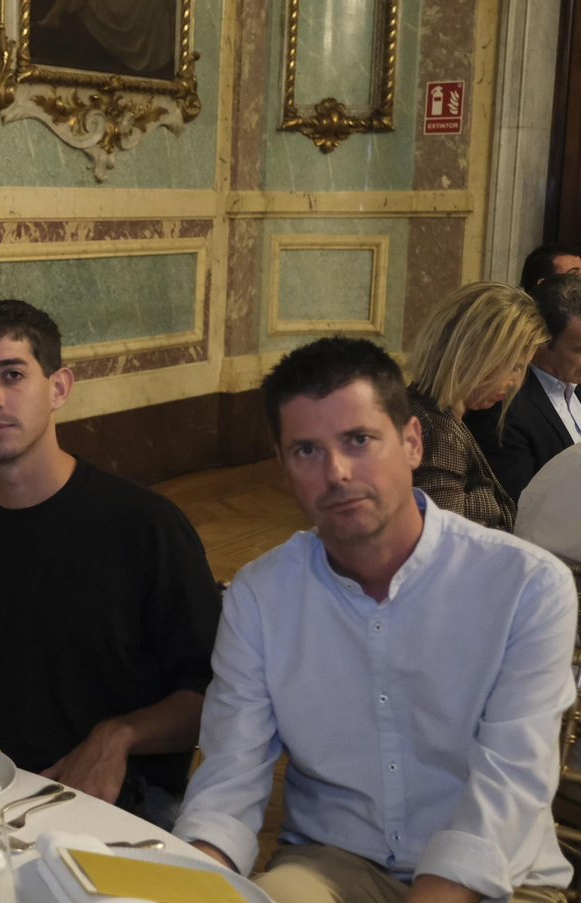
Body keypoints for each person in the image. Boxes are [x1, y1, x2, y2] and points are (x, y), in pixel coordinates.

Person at [172, 337, 574, 903]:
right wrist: (190, 885)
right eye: (306, 450)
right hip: (330, 863)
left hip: (499, 877)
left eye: (358, 440)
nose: (336, 472)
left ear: (412, 441)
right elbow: (228, 781)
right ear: (282, 465)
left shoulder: (526, 585)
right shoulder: (260, 596)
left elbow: (509, 784)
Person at [0, 299, 220, 828]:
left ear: (59, 388)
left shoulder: (145, 527)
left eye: (13, 374)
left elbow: (214, 695)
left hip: (123, 804)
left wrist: (119, 735)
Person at [403, 282, 546, 530]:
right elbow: (444, 548)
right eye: (514, 365)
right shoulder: (438, 432)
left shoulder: (423, 409)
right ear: (475, 354)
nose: (515, 382)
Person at [464, 274, 581, 500]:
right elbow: (519, 508)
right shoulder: (503, 406)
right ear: (541, 343)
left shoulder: (576, 384)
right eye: (580, 349)